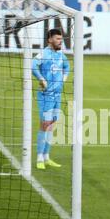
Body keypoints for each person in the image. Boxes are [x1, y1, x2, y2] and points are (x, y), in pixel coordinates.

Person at [32, 29, 70, 170]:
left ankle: (47, 156)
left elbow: (67, 66)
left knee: (52, 125)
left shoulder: (60, 54)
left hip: (57, 96)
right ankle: (39, 158)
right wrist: (41, 79)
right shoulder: (44, 53)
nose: (60, 41)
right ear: (50, 40)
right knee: (45, 124)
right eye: (57, 39)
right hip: (46, 96)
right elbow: (33, 66)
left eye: (61, 38)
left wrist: (63, 79)